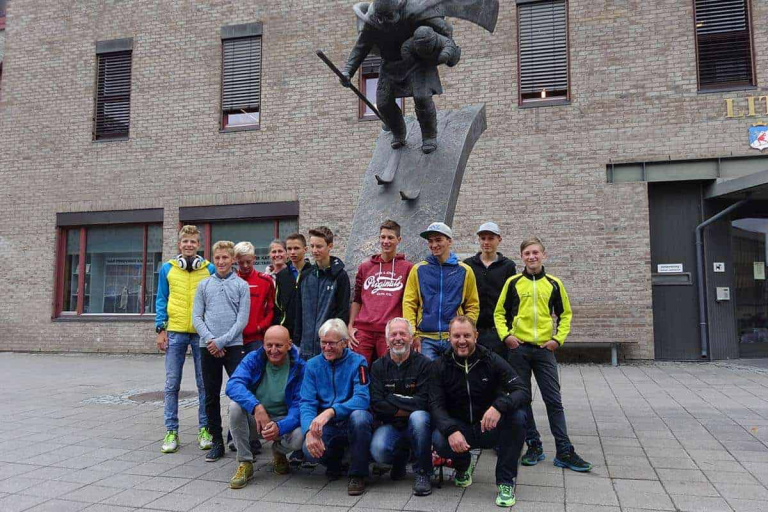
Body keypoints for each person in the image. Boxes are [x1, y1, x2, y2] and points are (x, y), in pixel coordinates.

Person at [494, 237, 592, 472]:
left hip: (544, 351)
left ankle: (564, 451)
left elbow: (565, 314)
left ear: (543, 255)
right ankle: (534, 445)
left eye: (535, 253)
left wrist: (558, 339)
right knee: (522, 400)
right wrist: (507, 336)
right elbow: (499, 313)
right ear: (522, 257)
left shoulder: (554, 283)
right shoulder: (513, 283)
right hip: (519, 350)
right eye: (527, 253)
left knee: (554, 401)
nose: (531, 257)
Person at [431, 316, 530, 508]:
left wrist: (499, 406)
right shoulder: (439, 366)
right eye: (456, 336)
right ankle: (463, 465)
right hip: (460, 429)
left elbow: (522, 390)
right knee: (439, 439)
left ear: (476, 336)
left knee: (518, 418)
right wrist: (451, 430)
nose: (462, 341)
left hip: (488, 426)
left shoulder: (491, 360)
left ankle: (505, 482)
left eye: (467, 335)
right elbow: (435, 405)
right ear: (448, 338)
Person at [155, 225, 215, 454]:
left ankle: (205, 429)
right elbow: (161, 299)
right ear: (179, 245)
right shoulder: (168, 269)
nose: (189, 245)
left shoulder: (208, 269)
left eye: (193, 242)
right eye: (185, 241)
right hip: (176, 331)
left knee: (204, 384)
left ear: (199, 245)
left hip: (201, 333)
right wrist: (160, 329)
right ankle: (171, 431)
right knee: (171, 385)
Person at [225, 325, 305, 489]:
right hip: (258, 421)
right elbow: (233, 385)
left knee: (301, 436)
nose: (273, 350)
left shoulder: (300, 367)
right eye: (269, 345)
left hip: (284, 422)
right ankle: (245, 462)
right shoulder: (253, 358)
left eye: (279, 345)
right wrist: (256, 407)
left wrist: (279, 427)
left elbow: (299, 407)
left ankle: (279, 451)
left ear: (289, 344)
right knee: (234, 407)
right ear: (263, 344)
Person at [299, 319, 372, 496]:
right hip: (329, 426)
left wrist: (332, 411)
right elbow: (307, 402)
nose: (326, 348)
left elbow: (362, 398)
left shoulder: (358, 362)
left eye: (331, 343)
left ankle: (358, 474)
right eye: (323, 342)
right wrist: (309, 431)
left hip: (350, 421)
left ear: (345, 343)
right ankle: (336, 462)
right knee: (307, 450)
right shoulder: (312, 365)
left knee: (360, 417)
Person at [192, 240, 250, 462]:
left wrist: (223, 341)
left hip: (233, 346)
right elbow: (197, 316)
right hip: (207, 347)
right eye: (217, 258)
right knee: (210, 394)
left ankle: (236, 437)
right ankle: (216, 440)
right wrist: (210, 340)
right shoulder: (204, 285)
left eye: (225, 257)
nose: (221, 261)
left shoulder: (241, 286)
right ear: (213, 260)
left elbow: (241, 319)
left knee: (238, 392)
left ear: (232, 259)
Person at [369, 318, 432, 496]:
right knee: (378, 449)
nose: (398, 338)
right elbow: (377, 404)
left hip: (418, 425)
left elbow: (424, 402)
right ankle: (401, 459)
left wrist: (391, 399)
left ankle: (423, 472)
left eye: (402, 334)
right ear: (387, 339)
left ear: (411, 338)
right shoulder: (378, 366)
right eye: (393, 334)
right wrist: (405, 407)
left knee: (419, 417)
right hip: (391, 425)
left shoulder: (424, 364)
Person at [402, 221, 479, 360]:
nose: (434, 245)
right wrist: (413, 334)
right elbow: (409, 303)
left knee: (454, 379)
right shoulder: (418, 269)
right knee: (430, 379)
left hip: (453, 338)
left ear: (449, 241)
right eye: (430, 241)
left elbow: (472, 305)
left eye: (438, 240)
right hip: (425, 339)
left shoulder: (464, 271)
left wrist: (466, 331)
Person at [349, 220, 413, 366]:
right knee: (358, 371)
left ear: (399, 240)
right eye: (382, 237)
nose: (386, 241)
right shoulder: (365, 267)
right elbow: (357, 299)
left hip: (390, 331)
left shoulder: (408, 268)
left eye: (390, 237)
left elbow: (411, 302)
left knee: (389, 371)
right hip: (364, 330)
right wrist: (350, 326)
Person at [294, 227, 351, 360]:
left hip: (328, 347)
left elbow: (342, 312)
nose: (314, 250)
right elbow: (299, 310)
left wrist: (337, 341)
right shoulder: (305, 275)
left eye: (319, 246)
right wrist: (297, 341)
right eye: (312, 246)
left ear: (330, 246)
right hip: (306, 346)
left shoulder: (340, 276)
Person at [463, 222, 517, 356]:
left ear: (499, 239)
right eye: (483, 238)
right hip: (475, 329)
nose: (486, 242)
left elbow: (513, 299)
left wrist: (510, 329)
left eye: (491, 238)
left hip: (500, 330)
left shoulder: (508, 266)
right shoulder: (467, 265)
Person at [234, 241, 276, 354]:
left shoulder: (265, 281)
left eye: (248, 261)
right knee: (237, 372)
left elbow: (271, 309)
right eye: (241, 262)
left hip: (256, 339)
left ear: (254, 258)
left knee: (257, 371)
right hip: (234, 339)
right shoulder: (230, 282)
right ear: (235, 260)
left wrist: (259, 327)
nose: (245, 266)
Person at [275, 233, 311, 339]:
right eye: (289, 249)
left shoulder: (313, 273)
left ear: (305, 249)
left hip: (308, 330)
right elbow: (278, 305)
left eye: (296, 248)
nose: (292, 252)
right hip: (287, 331)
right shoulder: (281, 275)